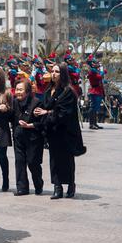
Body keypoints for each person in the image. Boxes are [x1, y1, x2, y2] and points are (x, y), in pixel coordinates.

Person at [35, 63, 84, 199]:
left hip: (65, 132)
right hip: (52, 131)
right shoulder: (48, 90)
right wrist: (39, 111)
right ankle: (57, 187)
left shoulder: (68, 92)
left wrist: (47, 112)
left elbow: (64, 112)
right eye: (53, 71)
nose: (54, 74)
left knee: (67, 160)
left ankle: (71, 185)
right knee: (54, 160)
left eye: (57, 71)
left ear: (63, 74)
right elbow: (44, 106)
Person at [11, 79, 45, 196]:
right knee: (19, 162)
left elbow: (42, 123)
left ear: (27, 91)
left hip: (33, 138)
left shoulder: (37, 103)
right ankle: (22, 188)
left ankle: (38, 184)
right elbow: (11, 117)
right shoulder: (14, 102)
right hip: (18, 137)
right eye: (17, 90)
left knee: (32, 163)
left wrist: (29, 125)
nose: (18, 92)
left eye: (21, 90)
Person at [86, 56, 105, 130]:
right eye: (96, 62)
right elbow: (99, 77)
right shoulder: (92, 71)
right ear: (92, 64)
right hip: (94, 90)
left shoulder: (96, 70)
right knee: (93, 107)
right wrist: (103, 72)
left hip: (98, 90)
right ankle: (91, 124)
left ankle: (94, 123)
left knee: (96, 108)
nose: (98, 64)